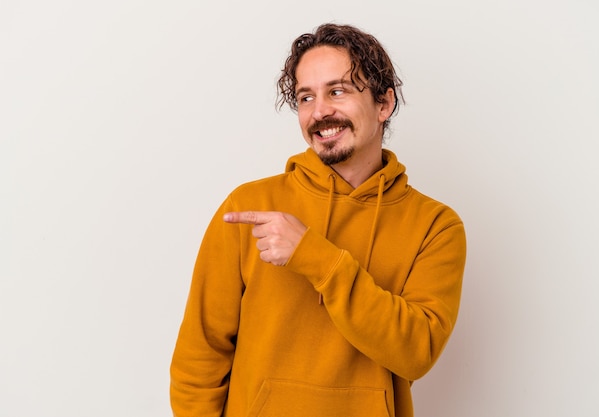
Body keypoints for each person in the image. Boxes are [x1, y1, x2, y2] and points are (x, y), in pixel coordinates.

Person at [170, 23, 466, 417]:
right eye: (306, 97)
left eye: (337, 91)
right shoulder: (251, 205)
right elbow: (200, 355)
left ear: (384, 104)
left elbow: (416, 353)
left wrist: (315, 256)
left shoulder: (435, 225)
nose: (319, 111)